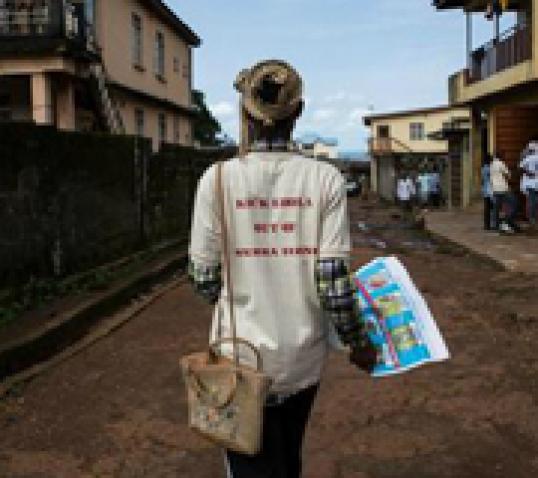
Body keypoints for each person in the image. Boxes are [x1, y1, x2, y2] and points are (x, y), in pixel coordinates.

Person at [188, 60, 375, 478]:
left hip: (239, 360)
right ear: (299, 110)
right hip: (302, 361)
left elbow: (203, 280)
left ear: (245, 110)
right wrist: (358, 342)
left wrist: (243, 287)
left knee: (250, 461)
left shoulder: (216, 180)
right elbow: (333, 284)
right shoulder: (326, 179)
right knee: (289, 457)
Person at [490, 153, 518, 233]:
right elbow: (508, 175)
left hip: (495, 188)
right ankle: (507, 221)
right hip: (503, 188)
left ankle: (496, 225)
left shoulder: (491, 165)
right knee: (514, 203)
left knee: (496, 208)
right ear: (501, 157)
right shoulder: (500, 163)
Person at [520, 141, 538, 230]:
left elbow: (520, 167)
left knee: (531, 202)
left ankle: (532, 219)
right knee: (534, 202)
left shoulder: (528, 159)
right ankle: (533, 219)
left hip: (530, 183)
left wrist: (528, 173)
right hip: (535, 183)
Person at [482, 155, 494, 230]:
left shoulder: (483, 168)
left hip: (485, 189)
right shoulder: (489, 169)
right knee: (491, 208)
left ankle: (486, 225)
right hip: (490, 189)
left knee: (486, 208)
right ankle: (489, 224)